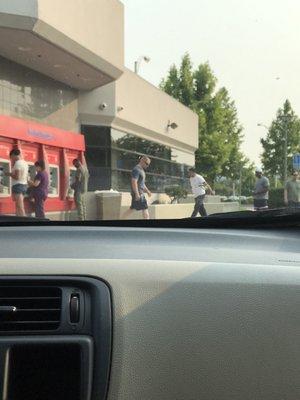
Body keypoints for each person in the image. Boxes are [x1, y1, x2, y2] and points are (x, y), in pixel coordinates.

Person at [122, 156, 152, 220]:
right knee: (145, 212)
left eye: (148, 164)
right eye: (146, 163)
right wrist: (137, 193)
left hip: (140, 193)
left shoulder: (142, 171)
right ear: (142, 161)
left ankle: (120, 219)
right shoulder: (136, 169)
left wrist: (148, 191)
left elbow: (142, 184)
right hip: (139, 193)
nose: (147, 165)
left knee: (132, 209)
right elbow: (134, 182)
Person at [6, 149, 28, 216]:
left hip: (18, 186)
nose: (11, 159)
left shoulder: (18, 163)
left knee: (20, 207)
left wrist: (9, 174)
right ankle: (18, 220)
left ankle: (24, 222)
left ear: (13, 155)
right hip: (23, 185)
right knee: (18, 206)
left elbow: (17, 177)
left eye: (11, 157)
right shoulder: (25, 163)